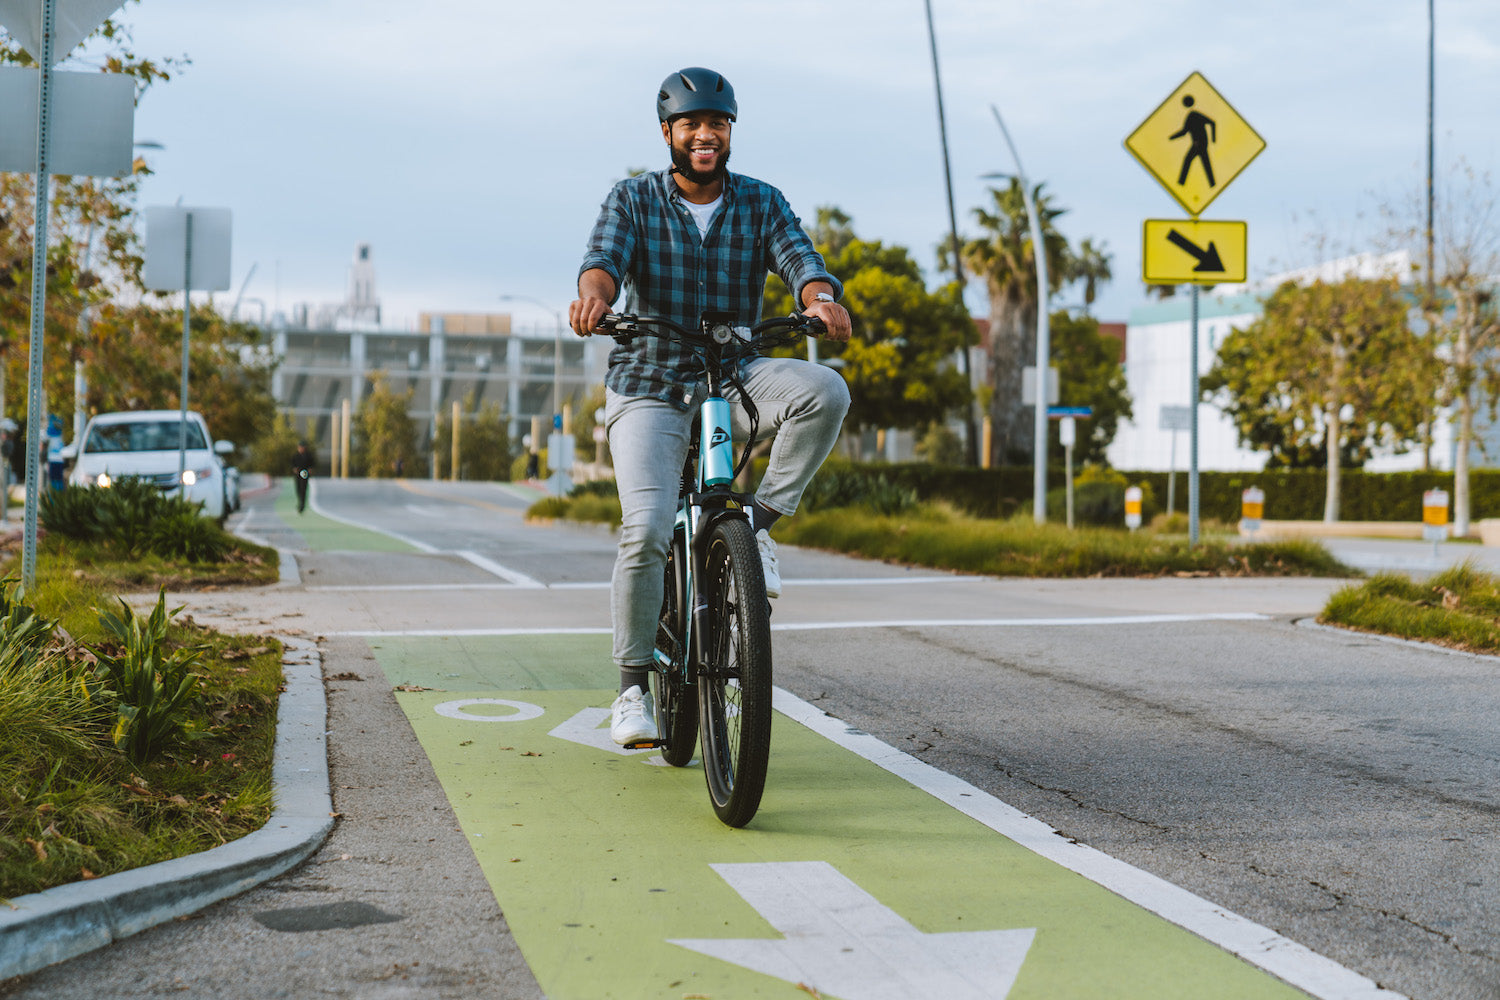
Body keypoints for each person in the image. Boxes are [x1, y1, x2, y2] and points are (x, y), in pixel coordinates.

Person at [569, 67, 852, 747]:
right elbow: (602, 261)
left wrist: (819, 297)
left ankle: (756, 525)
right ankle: (632, 687)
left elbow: (799, 258)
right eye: (691, 124)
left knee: (825, 392)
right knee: (645, 527)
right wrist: (595, 297)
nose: (705, 135)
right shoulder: (634, 199)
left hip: (734, 375)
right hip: (650, 382)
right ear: (668, 133)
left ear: (729, 133)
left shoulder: (760, 202)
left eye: (716, 124)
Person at [291, 440, 314, 514]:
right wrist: (294, 468)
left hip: (304, 473)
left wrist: (310, 469)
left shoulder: (308, 456)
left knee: (303, 488)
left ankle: (302, 505)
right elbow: (292, 464)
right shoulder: (296, 456)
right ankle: (300, 502)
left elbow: (312, 464)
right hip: (297, 474)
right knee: (298, 489)